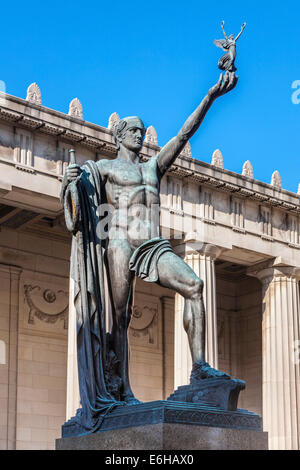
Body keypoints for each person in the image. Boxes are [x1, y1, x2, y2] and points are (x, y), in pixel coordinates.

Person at [61, 71, 237, 432]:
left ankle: (200, 366)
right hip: (120, 242)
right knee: (120, 318)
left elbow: (185, 133)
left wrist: (212, 94)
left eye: (143, 132)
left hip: (152, 246)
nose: (141, 136)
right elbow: (79, 205)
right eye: (135, 132)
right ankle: (118, 386)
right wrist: (70, 183)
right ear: (120, 136)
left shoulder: (153, 168)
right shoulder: (104, 169)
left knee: (195, 286)